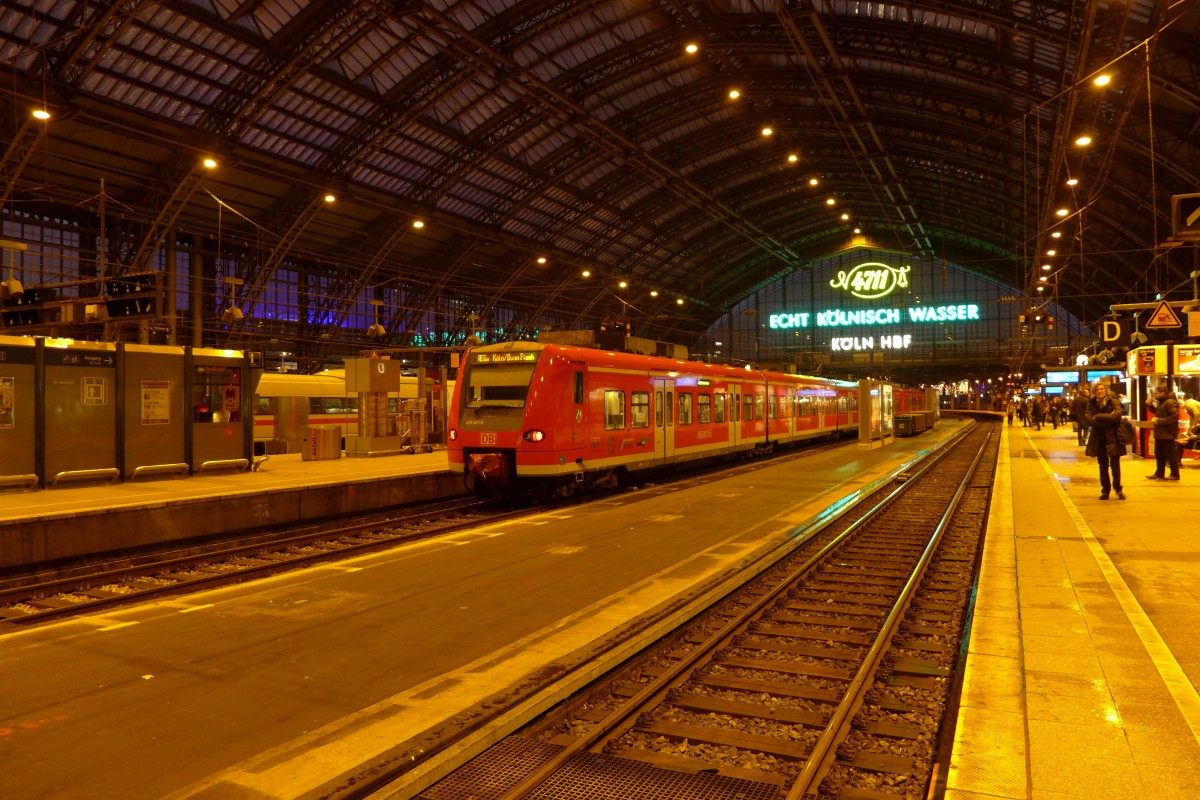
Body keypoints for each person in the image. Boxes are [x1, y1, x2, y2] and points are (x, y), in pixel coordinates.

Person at [1085, 383, 1125, 500]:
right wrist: (1108, 419)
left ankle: (1118, 489)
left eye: (1102, 389)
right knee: (1102, 466)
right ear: (1094, 392)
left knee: (1115, 465)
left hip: (1113, 437)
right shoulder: (1091, 403)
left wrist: (1098, 416)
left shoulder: (1113, 401)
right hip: (1099, 438)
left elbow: (1116, 416)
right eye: (1097, 389)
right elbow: (1088, 419)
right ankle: (1105, 491)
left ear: (1106, 391)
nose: (1100, 391)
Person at [1146, 385, 1181, 481]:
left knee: (1170, 454)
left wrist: (1159, 421)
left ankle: (1175, 474)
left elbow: (1174, 416)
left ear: (1162, 393)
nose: (1155, 395)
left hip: (1167, 433)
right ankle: (1159, 473)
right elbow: (1159, 412)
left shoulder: (1170, 402)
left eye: (1157, 393)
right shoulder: (1163, 402)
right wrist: (1150, 406)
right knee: (1159, 453)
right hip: (1161, 433)